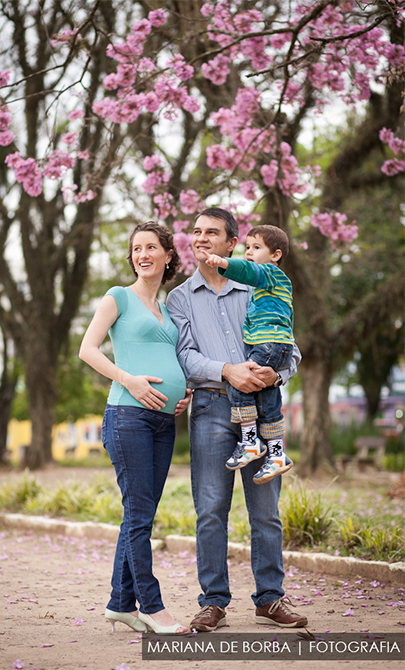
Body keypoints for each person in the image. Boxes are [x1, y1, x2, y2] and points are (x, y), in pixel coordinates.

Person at [166, 207, 307, 632]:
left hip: (262, 404)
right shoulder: (180, 298)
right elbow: (185, 355)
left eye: (213, 232)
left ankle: (271, 599)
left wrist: (274, 373)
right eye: (196, 232)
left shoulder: (258, 282)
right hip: (211, 408)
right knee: (210, 509)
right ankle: (213, 602)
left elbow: (289, 347)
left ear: (232, 244)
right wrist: (228, 370)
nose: (202, 238)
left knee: (265, 510)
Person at [79, 221, 192, 636]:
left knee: (139, 514)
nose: (142, 255)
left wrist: (187, 393)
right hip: (128, 415)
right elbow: (87, 348)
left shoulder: (167, 309)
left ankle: (120, 604)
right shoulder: (118, 298)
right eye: (136, 249)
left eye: (151, 248)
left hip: (165, 420)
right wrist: (129, 379)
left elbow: (174, 359)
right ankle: (151, 606)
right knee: (140, 516)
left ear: (167, 255)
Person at [204, 224, 295, 484]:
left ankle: (250, 441)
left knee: (239, 384)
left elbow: (248, 271)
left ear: (275, 255)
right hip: (278, 346)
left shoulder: (269, 273)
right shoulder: (277, 285)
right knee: (267, 400)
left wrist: (224, 262)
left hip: (268, 344)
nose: (249, 253)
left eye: (256, 248)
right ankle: (277, 454)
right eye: (247, 248)